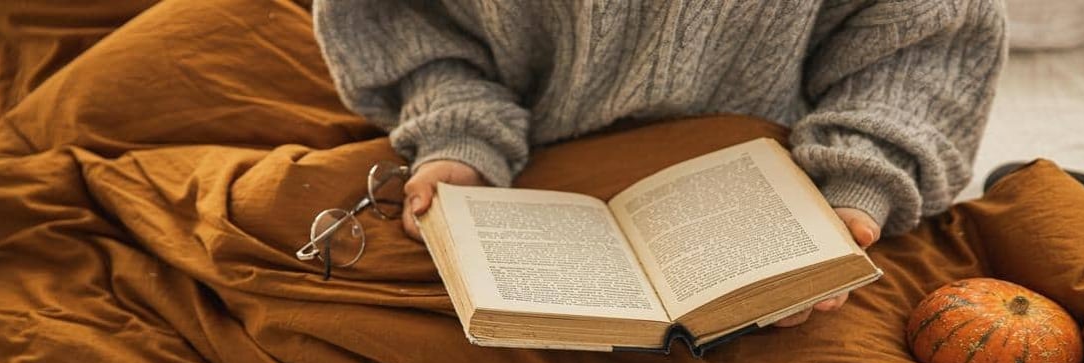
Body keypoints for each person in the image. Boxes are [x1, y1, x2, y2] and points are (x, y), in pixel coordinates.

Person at [312, 0, 1005, 326]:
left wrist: (853, 188)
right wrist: (458, 134)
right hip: (524, 163)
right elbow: (412, 24)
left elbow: (923, 47)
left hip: (785, 177)